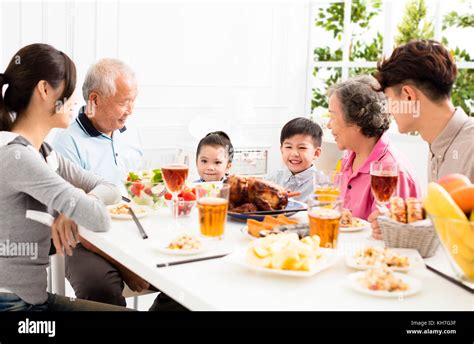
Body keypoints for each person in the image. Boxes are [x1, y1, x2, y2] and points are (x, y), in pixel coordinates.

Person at [0, 43, 130, 311]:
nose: (76, 102)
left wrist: (69, 209)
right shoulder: (18, 156)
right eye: (69, 91)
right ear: (45, 90)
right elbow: (99, 217)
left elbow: (110, 188)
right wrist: (74, 205)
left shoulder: (45, 153)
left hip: (32, 301)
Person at [51, 58, 186, 311]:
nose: (131, 110)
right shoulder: (66, 142)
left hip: (134, 230)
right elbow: (75, 223)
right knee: (98, 287)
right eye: (124, 102)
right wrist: (127, 268)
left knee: (185, 272)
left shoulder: (129, 132)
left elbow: (136, 191)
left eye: (133, 101)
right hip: (85, 241)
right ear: (95, 100)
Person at [370, 39, 474, 238]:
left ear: (409, 95)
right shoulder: (438, 141)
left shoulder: (469, 145)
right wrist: (402, 225)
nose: (389, 110)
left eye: (389, 100)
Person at [327, 75, 420, 221]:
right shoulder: (348, 158)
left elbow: (389, 233)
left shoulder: (391, 172)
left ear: (357, 121)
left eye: (332, 117)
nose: (328, 125)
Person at [266, 117, 323, 203]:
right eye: (288, 147)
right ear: (281, 150)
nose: (294, 154)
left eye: (302, 147)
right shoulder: (273, 179)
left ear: (316, 153)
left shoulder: (322, 186)